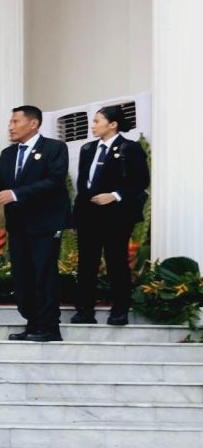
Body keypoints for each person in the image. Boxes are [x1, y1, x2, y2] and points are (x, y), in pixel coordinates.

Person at [0, 104, 70, 343]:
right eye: (10, 122)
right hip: (18, 225)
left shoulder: (55, 148)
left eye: (15, 122)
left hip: (45, 223)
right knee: (22, 276)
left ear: (33, 123)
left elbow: (54, 181)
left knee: (43, 274)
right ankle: (33, 323)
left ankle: (50, 327)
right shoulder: (9, 153)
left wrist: (15, 194)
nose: (10, 127)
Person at [74, 104, 149, 327]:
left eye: (97, 121)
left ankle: (119, 309)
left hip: (116, 216)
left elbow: (140, 181)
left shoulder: (130, 148)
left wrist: (115, 196)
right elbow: (82, 183)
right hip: (89, 215)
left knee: (116, 261)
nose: (93, 125)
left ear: (113, 124)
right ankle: (85, 310)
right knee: (87, 263)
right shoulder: (87, 149)